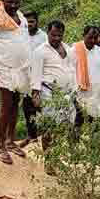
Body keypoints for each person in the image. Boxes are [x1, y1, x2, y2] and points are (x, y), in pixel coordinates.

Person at [0, 0, 32, 164]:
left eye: (16, 2)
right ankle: (0, 145)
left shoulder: (21, 18)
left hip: (21, 68)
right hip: (4, 68)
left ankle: (10, 141)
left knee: (15, 104)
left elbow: (24, 41)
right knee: (6, 105)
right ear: (3, 0)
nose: (13, 5)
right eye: (10, 1)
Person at [29, 20, 76, 155]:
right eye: (53, 35)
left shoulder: (68, 49)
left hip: (66, 94)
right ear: (48, 33)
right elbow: (35, 73)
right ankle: (49, 160)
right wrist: (35, 95)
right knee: (49, 126)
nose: (56, 38)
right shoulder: (40, 51)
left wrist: (75, 91)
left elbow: (72, 70)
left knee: (67, 123)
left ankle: (58, 154)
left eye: (59, 35)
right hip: (48, 93)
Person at [72, 25, 100, 124]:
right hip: (79, 92)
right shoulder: (74, 50)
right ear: (83, 35)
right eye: (90, 37)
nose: (92, 41)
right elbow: (70, 72)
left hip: (95, 93)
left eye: (95, 38)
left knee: (93, 121)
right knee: (78, 120)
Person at [21, 11, 45, 143]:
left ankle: (47, 134)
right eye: (27, 22)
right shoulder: (21, 34)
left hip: (40, 76)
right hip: (26, 76)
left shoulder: (43, 37)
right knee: (27, 107)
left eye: (31, 22)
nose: (29, 25)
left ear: (37, 22)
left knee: (42, 106)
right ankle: (32, 136)